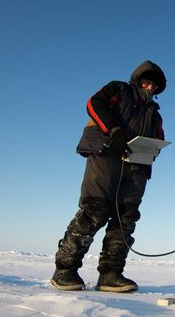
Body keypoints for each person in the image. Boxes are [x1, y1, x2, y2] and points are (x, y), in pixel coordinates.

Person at [51, 60, 167, 293]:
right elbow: (94, 104)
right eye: (146, 80)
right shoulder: (119, 89)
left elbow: (159, 137)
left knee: (126, 218)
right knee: (95, 210)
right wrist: (115, 132)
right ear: (137, 79)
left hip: (137, 166)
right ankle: (65, 269)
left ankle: (111, 274)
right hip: (106, 155)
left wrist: (152, 153)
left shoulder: (154, 113)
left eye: (154, 84)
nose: (150, 87)